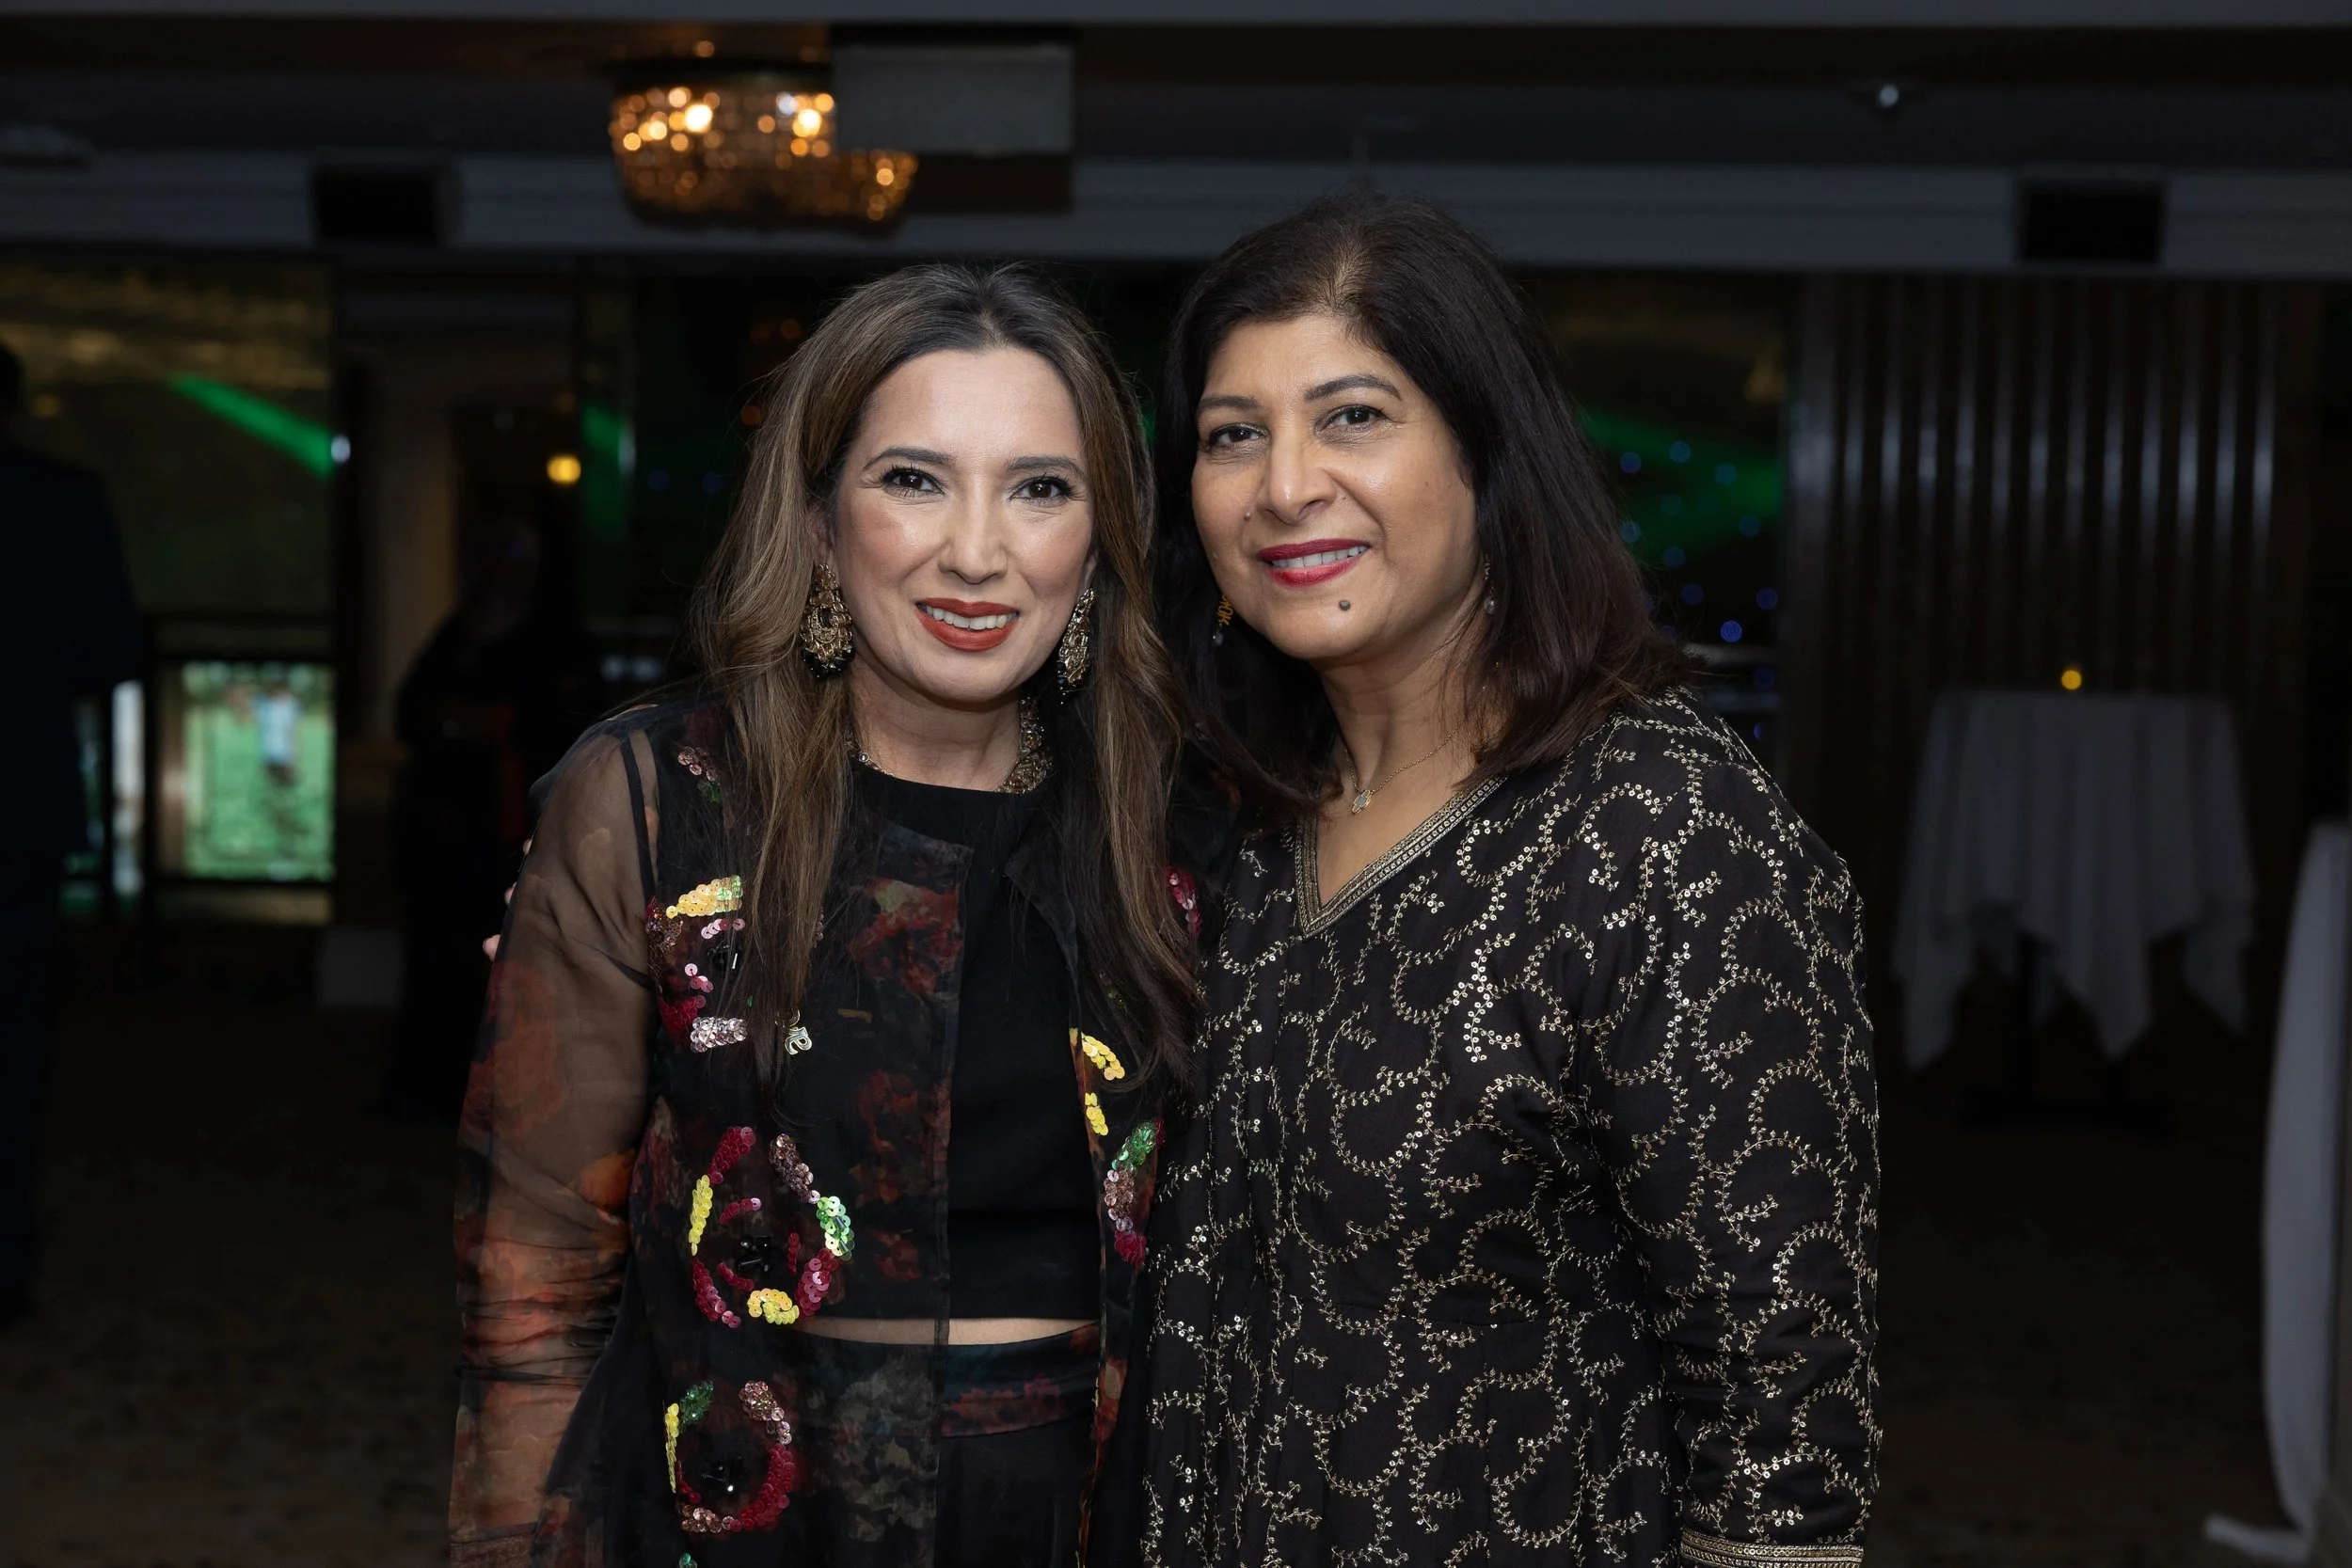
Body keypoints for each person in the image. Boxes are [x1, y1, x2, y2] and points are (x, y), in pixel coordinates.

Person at [1123, 191, 1881, 1566]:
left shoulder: (1665, 829)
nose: (1285, 482)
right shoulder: (1231, 819)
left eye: (1354, 415)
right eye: (1235, 434)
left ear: (1489, 454)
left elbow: (1784, 1420)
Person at [450, 264, 1200, 1568]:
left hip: (1086, 1507)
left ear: (1098, 540)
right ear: (815, 521)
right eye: (913, 478)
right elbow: (534, 1280)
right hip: (744, 1506)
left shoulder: (1183, 829)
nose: (978, 549)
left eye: (1041, 487)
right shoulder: (654, 802)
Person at [0, 342, 142, 1329]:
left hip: (23, 806)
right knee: (11, 1041)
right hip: (18, 806)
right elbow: (114, 651)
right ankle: (3, 1260)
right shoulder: (60, 499)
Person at [378, 512, 596, 1120]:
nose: (503, 567)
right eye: (495, 552)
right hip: (437, 831)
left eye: (517, 554)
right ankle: (419, 1085)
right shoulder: (460, 630)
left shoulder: (558, 640)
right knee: (430, 962)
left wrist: (491, 726)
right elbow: (409, 708)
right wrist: (456, 722)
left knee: (499, 968)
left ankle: (488, 1099)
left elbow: (568, 731)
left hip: (503, 834)